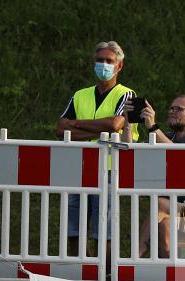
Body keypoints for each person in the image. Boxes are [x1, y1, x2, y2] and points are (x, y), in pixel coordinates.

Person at [55, 41, 138, 257]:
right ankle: (80, 274)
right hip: (79, 167)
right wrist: (98, 130)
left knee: (105, 230)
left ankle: (107, 278)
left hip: (111, 169)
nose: (103, 65)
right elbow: (59, 128)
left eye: (109, 61)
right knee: (73, 228)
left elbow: (115, 125)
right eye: (99, 60)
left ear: (119, 66)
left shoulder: (130, 95)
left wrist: (75, 124)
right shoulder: (80, 94)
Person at [127, 94, 185, 258]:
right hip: (169, 211)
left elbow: (181, 156)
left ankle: (133, 259)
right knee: (164, 229)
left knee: (159, 204)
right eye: (171, 108)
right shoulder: (164, 136)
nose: (172, 112)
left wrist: (153, 128)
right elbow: (130, 154)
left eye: (178, 109)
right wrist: (128, 125)